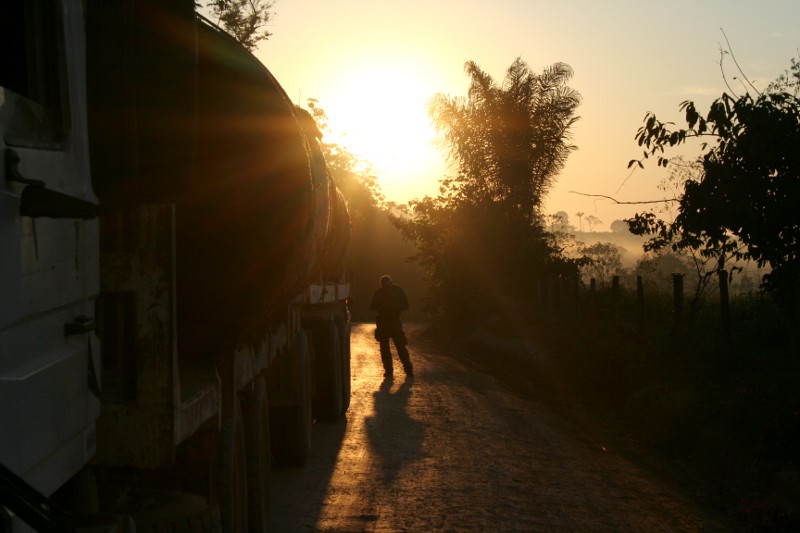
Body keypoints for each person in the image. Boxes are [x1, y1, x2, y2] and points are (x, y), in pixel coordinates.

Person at [370, 275, 413, 378]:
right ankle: (389, 371)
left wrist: (394, 307)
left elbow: (406, 305)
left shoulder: (397, 291)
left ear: (390, 282)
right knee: (386, 348)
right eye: (384, 285)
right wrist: (385, 306)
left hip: (394, 321)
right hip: (385, 322)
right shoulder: (380, 292)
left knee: (400, 346)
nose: (386, 286)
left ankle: (407, 369)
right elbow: (372, 306)